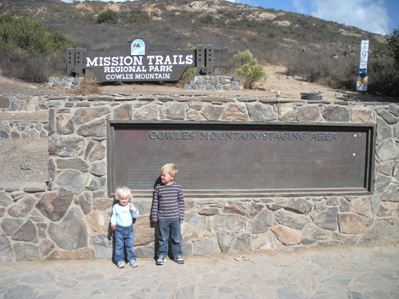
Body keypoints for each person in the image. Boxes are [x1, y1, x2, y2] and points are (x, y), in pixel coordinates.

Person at [151, 163, 185, 265]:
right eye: (161, 175)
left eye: (164, 175)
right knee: (163, 238)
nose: (161, 177)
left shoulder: (178, 188)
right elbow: (155, 203)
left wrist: (181, 215)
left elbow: (181, 202)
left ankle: (177, 255)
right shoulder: (158, 188)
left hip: (175, 218)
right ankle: (161, 255)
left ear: (172, 177)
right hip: (162, 219)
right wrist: (154, 216)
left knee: (176, 238)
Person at [110, 186, 139, 269]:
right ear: (118, 198)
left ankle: (132, 260)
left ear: (128, 198)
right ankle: (120, 260)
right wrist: (113, 223)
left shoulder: (130, 206)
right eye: (122, 199)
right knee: (119, 246)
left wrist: (134, 210)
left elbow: (136, 216)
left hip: (129, 229)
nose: (124, 201)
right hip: (119, 230)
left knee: (130, 245)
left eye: (126, 199)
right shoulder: (116, 207)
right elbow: (114, 216)